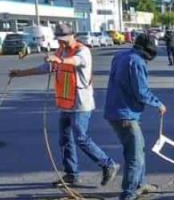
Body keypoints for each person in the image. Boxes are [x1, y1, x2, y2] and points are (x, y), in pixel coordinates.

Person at [9, 23, 118, 188]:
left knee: (81, 138)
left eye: (64, 39)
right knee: (65, 139)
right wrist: (20, 73)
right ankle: (71, 174)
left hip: (81, 103)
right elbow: (46, 67)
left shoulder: (82, 51)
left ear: (72, 35)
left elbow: (75, 62)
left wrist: (59, 59)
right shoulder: (61, 51)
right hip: (66, 103)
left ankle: (108, 164)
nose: (61, 43)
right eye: (59, 40)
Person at [104, 34, 168, 200]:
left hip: (116, 111)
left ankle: (140, 184)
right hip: (125, 115)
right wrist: (158, 104)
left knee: (137, 149)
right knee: (135, 156)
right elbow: (141, 91)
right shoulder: (137, 62)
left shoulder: (120, 56)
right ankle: (128, 195)